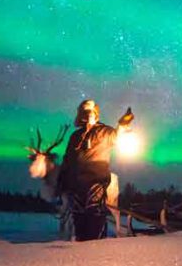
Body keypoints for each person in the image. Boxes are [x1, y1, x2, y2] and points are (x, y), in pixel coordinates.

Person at [56, 99, 134, 241]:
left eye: (90, 112)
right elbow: (67, 159)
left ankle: (95, 249)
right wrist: (62, 180)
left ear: (96, 113)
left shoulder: (104, 132)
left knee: (94, 212)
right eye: (84, 112)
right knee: (78, 215)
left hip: (96, 179)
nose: (87, 115)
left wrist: (123, 124)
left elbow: (117, 135)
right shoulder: (75, 136)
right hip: (76, 184)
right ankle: (82, 248)